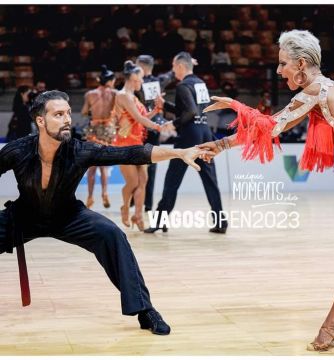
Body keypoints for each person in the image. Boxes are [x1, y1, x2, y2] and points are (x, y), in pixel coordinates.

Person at [198, 29, 334, 351]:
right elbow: (271, 129)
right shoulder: (323, 88)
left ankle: (332, 324)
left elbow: (269, 127)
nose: (278, 70)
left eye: (283, 63)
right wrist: (220, 145)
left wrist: (233, 110)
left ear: (301, 64)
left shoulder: (315, 89)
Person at [0, 90, 212, 335]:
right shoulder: (17, 150)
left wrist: (179, 152)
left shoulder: (80, 150)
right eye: (58, 114)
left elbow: (131, 153)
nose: (67, 119)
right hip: (24, 216)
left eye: (68, 113)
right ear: (40, 121)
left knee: (112, 235)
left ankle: (146, 310)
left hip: (68, 216)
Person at [145, 51, 227, 234]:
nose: (173, 70)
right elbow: (194, 110)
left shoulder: (183, 86)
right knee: (210, 181)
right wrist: (164, 104)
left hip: (188, 137)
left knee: (172, 181)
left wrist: (171, 124)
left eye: (174, 66)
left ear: (181, 66)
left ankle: (160, 221)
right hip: (205, 133)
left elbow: (189, 112)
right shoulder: (200, 83)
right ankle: (221, 222)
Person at [113, 61, 173, 231]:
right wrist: (159, 126)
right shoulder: (123, 95)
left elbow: (142, 115)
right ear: (132, 78)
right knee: (132, 182)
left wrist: (154, 111)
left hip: (137, 142)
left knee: (143, 180)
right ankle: (125, 207)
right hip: (124, 145)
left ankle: (138, 215)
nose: (142, 81)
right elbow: (139, 119)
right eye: (140, 78)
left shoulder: (134, 97)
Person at [135, 54, 175, 212]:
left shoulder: (137, 82)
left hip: (141, 127)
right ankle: (147, 204)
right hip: (156, 126)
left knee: (138, 164)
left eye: (137, 66)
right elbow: (171, 74)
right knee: (151, 166)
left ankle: (137, 198)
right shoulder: (159, 81)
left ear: (143, 68)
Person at [81, 65, 117, 209]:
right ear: (109, 80)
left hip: (93, 129)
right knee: (104, 166)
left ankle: (90, 197)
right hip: (108, 129)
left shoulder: (90, 94)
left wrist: (93, 110)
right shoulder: (115, 93)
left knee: (91, 167)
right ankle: (105, 193)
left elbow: (84, 111)